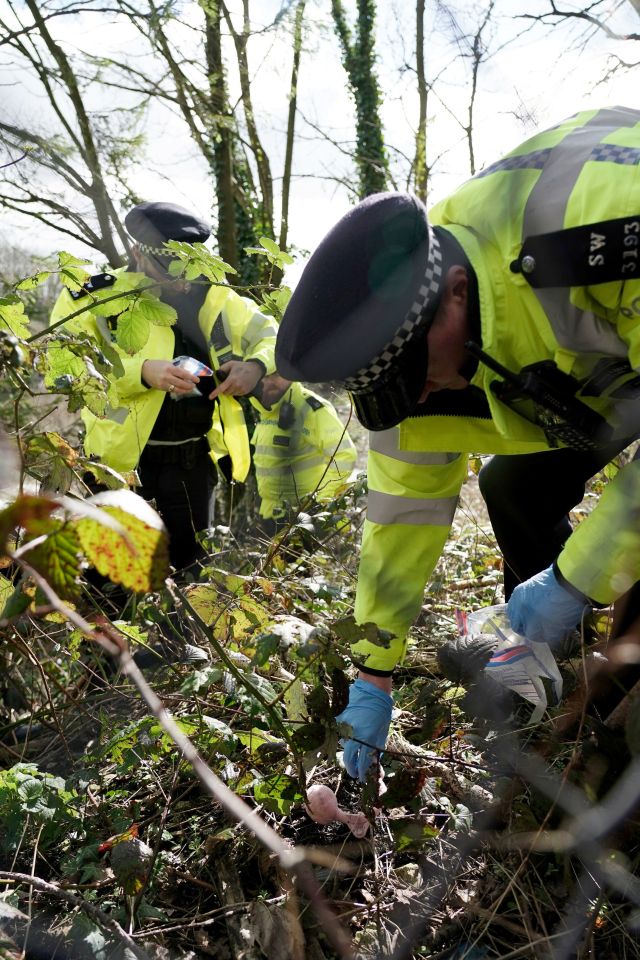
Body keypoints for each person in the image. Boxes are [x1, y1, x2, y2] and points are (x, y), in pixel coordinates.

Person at [275, 106, 640, 780]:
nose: (419, 399)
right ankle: (547, 666)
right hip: (589, 381)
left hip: (617, 323)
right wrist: (372, 672)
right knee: (512, 486)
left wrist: (575, 577)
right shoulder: (409, 361)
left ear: (456, 292)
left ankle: (614, 677)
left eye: (419, 377)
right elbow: (400, 520)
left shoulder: (605, 217)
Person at [50, 201, 277, 573]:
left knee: (188, 574)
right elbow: (63, 369)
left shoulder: (216, 298)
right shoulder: (94, 297)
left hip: (192, 466)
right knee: (114, 578)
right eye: (170, 272)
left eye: (187, 270)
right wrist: (141, 372)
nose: (181, 282)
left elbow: (271, 334)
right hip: (118, 468)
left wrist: (256, 366)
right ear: (138, 252)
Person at [252, 373, 357, 533]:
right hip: (269, 513)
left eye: (273, 374)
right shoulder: (264, 407)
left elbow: (344, 455)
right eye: (263, 375)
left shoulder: (312, 408)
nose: (267, 381)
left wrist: (319, 501)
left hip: (305, 516)